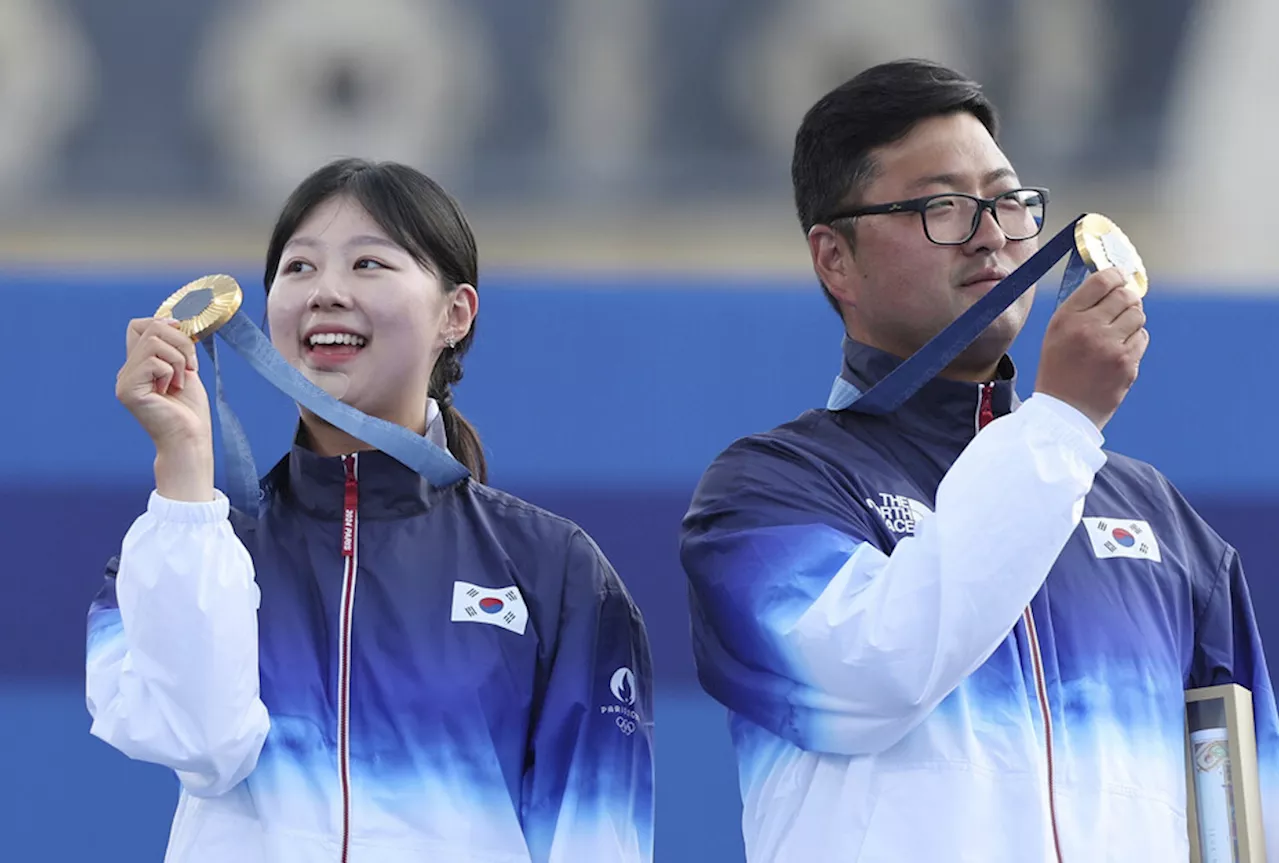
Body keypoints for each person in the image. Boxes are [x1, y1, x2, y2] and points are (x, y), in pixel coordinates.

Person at [679, 59, 1280, 862]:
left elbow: (1241, 813)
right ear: (835, 260)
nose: (992, 233)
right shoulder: (769, 494)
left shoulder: (1159, 520)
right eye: (943, 207)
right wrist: (1063, 420)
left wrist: (1061, 434)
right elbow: (868, 681)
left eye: (1006, 201)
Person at [86, 158, 654, 863]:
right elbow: (199, 746)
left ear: (455, 313)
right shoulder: (190, 546)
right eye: (298, 269)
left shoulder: (555, 570)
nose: (325, 291)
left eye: (368, 264)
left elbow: (596, 837)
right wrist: (184, 464)